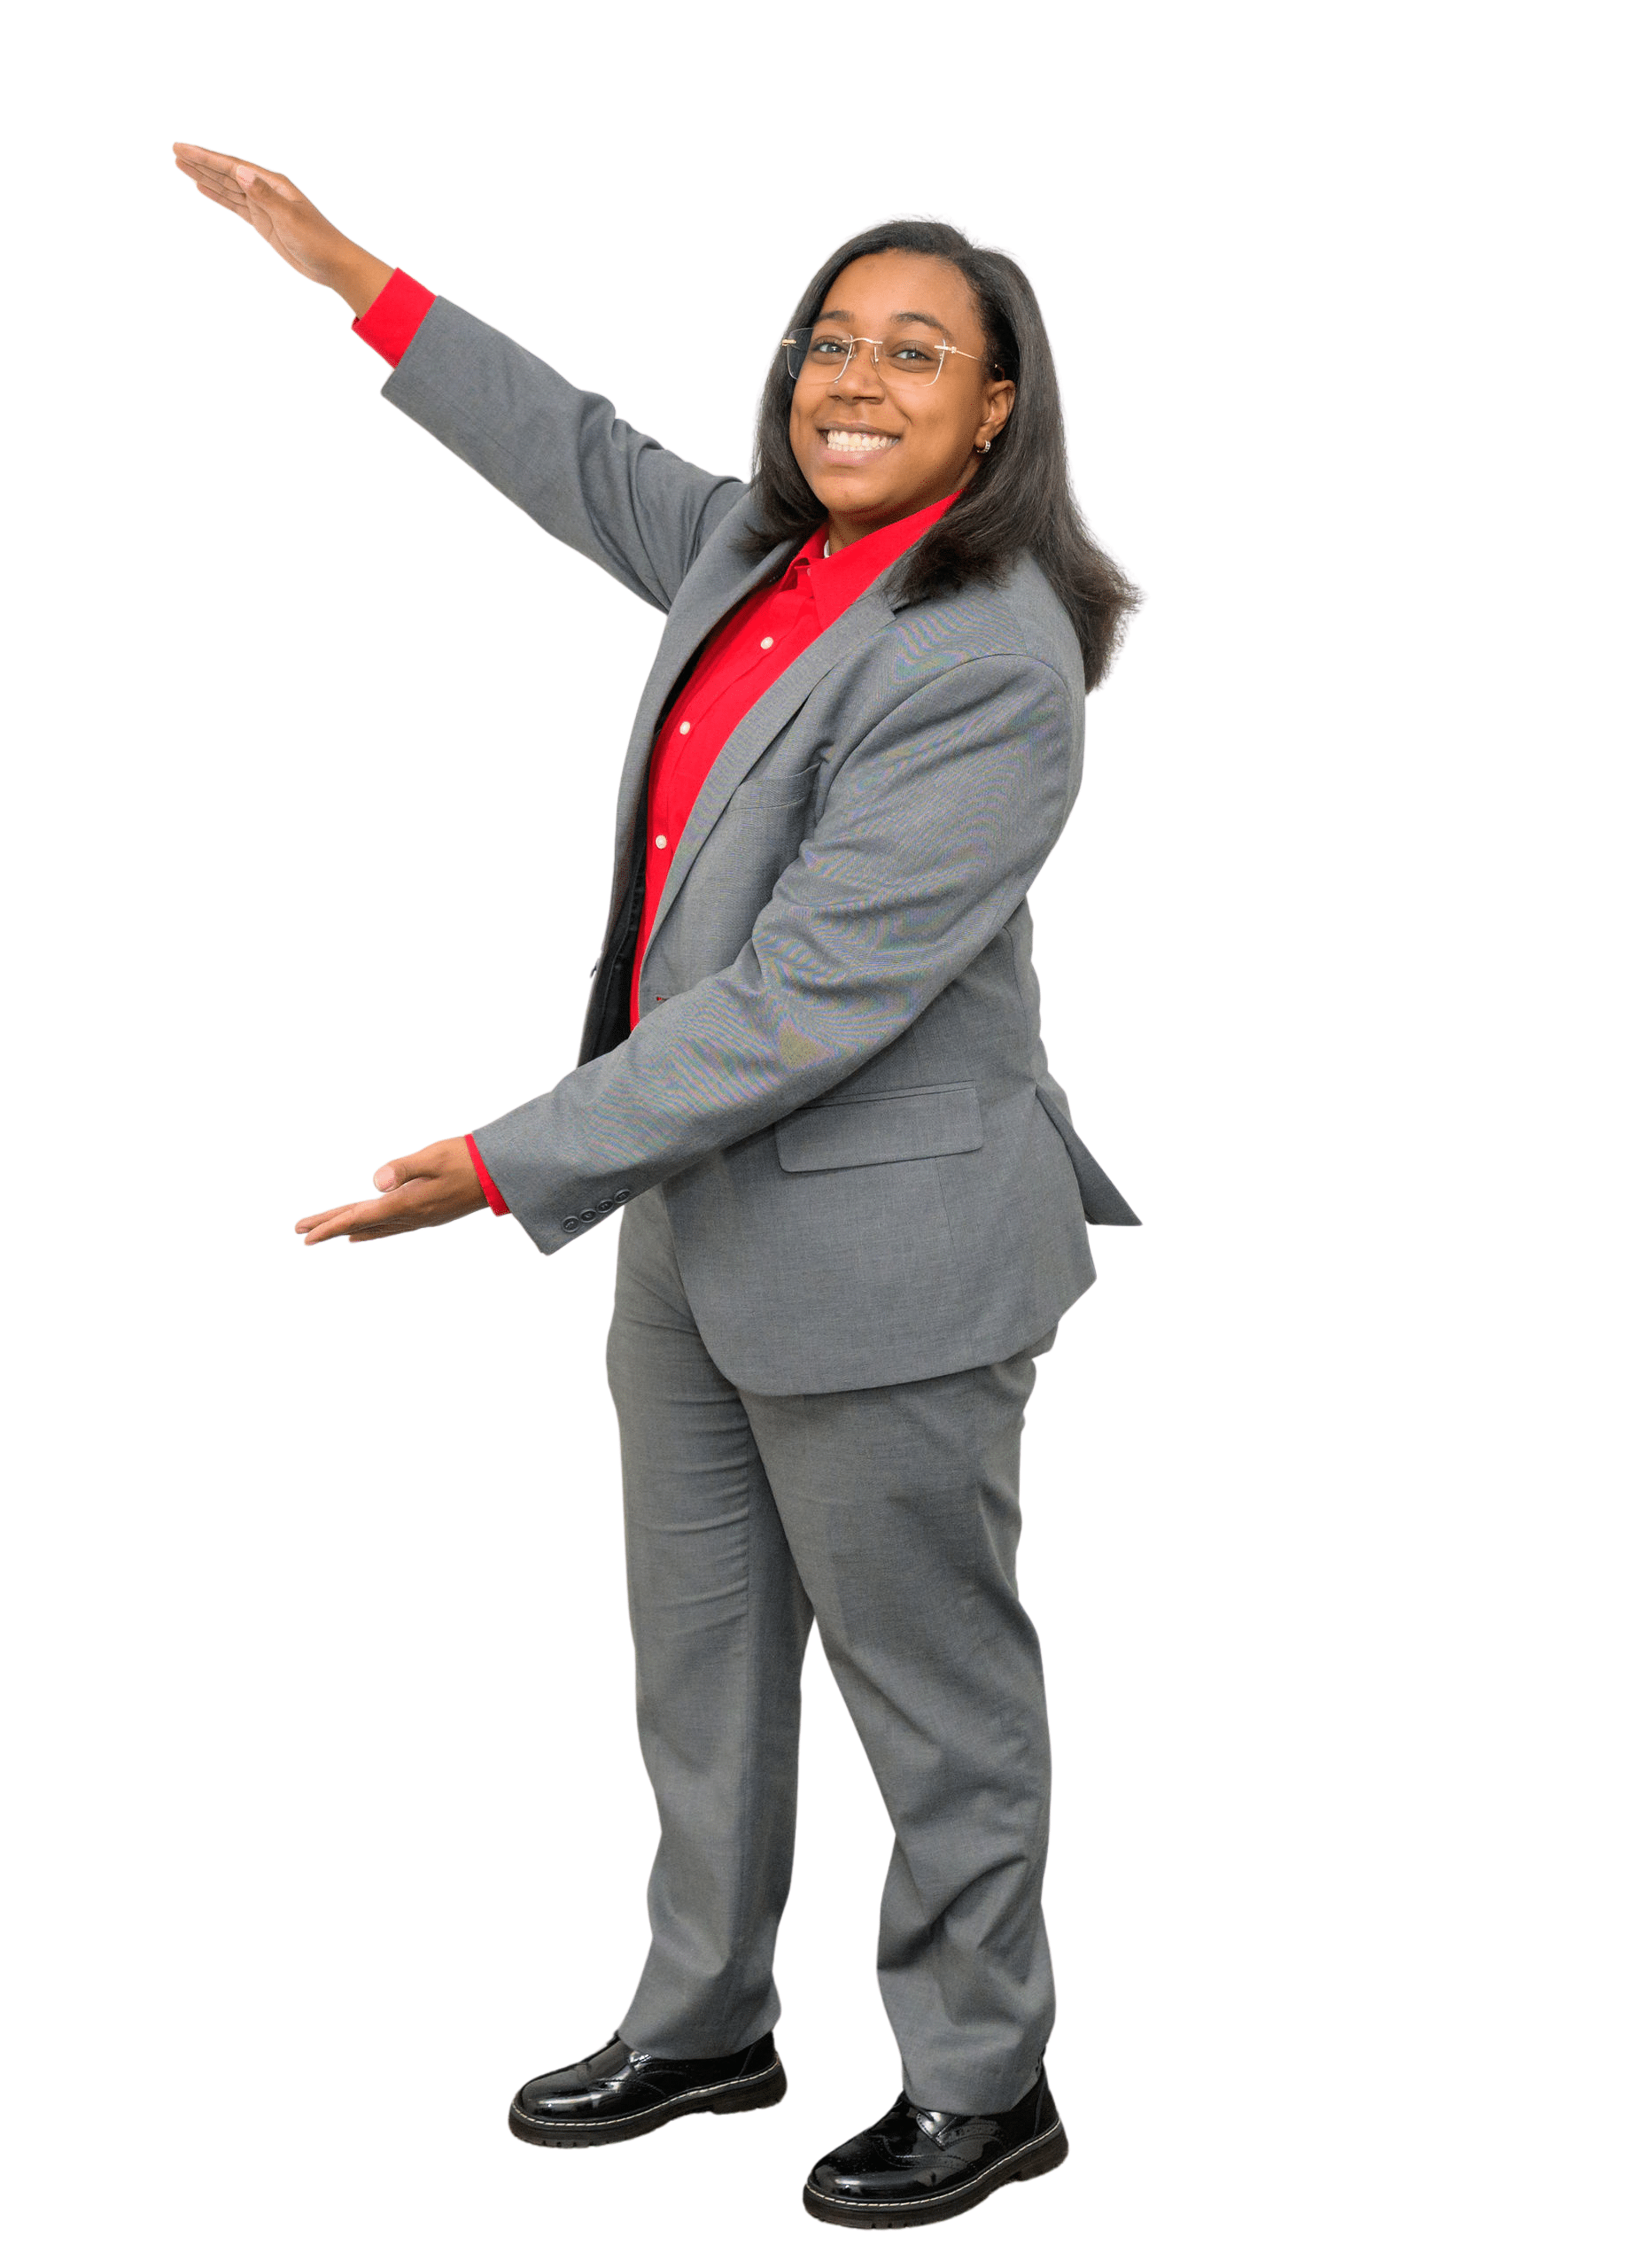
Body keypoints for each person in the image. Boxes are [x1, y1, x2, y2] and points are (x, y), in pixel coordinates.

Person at [175, 141, 1141, 2233]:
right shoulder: (752, 554)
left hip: (886, 1250)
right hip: (696, 1228)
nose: (854, 377)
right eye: (829, 339)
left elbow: (808, 998)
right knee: (698, 1663)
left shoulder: (985, 658)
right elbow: (575, 450)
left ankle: (984, 2079)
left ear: (996, 410)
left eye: (916, 352)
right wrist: (349, 273)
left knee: (935, 1699)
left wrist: (503, 1158)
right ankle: (704, 2014)